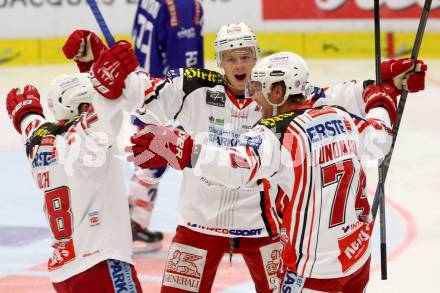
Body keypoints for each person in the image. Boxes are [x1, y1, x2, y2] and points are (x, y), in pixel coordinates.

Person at [86, 22, 426, 292]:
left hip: (263, 228)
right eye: (231, 58)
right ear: (219, 62)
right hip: (198, 224)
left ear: (256, 57)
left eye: (246, 56)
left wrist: (386, 80)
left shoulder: (276, 95)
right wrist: (101, 66)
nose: (239, 64)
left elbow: (337, 95)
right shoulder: (192, 88)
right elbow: (137, 91)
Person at [5, 42, 143, 292]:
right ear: (79, 106)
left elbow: (29, 121)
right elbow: (115, 101)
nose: (92, 105)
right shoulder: (89, 138)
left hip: (64, 271)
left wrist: (25, 112)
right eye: (87, 102)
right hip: (101, 263)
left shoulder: (39, 140)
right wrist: (107, 66)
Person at [131, 0, 204, 251]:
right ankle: (215, 229)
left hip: (144, 87)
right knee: (199, 156)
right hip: (166, 97)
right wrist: (188, 109)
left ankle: (133, 223)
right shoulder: (182, 6)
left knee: (150, 159)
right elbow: (184, 66)